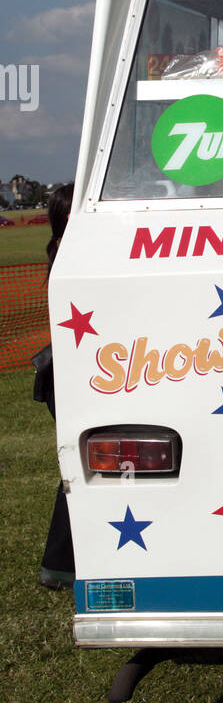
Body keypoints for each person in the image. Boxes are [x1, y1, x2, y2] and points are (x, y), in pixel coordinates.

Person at [33, 181, 74, 589]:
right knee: (78, 468)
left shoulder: (60, 254)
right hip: (66, 374)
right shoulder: (70, 259)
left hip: (61, 374)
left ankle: (60, 564)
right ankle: (59, 565)